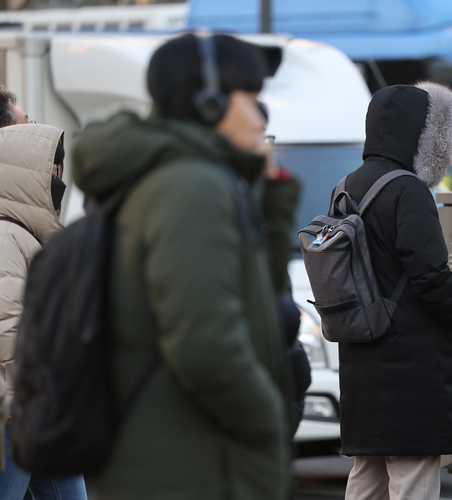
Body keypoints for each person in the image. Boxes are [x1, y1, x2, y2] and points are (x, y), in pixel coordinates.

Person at [71, 33, 292, 499]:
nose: (259, 117)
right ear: (209, 103)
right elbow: (204, 345)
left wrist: (271, 192)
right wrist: (267, 418)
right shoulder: (190, 186)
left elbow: (261, 301)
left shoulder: (185, 176)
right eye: (249, 100)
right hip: (190, 467)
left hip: (177, 459)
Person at [338, 83, 452, 500]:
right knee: (413, 476)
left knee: (368, 473)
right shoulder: (408, 189)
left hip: (362, 354)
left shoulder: (346, 185)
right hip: (410, 364)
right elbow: (430, 274)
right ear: (421, 133)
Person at [0, 121, 87, 499]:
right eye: (51, 167)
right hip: (18, 410)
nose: (57, 176)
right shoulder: (5, 235)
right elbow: (7, 328)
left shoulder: (23, 233)